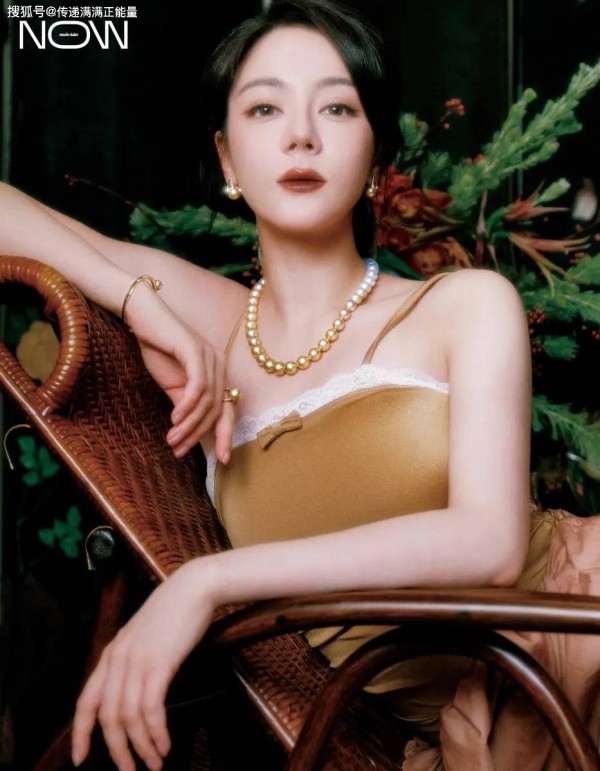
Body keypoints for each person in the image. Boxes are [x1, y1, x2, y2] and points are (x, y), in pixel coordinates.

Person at [0, 1, 597, 769]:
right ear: (226, 158)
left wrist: (207, 582)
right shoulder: (214, 325)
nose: (301, 135)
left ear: (376, 153)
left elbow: (490, 543)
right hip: (465, 727)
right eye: (265, 107)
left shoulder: (466, 305)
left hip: (576, 634)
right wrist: (134, 298)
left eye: (337, 107)